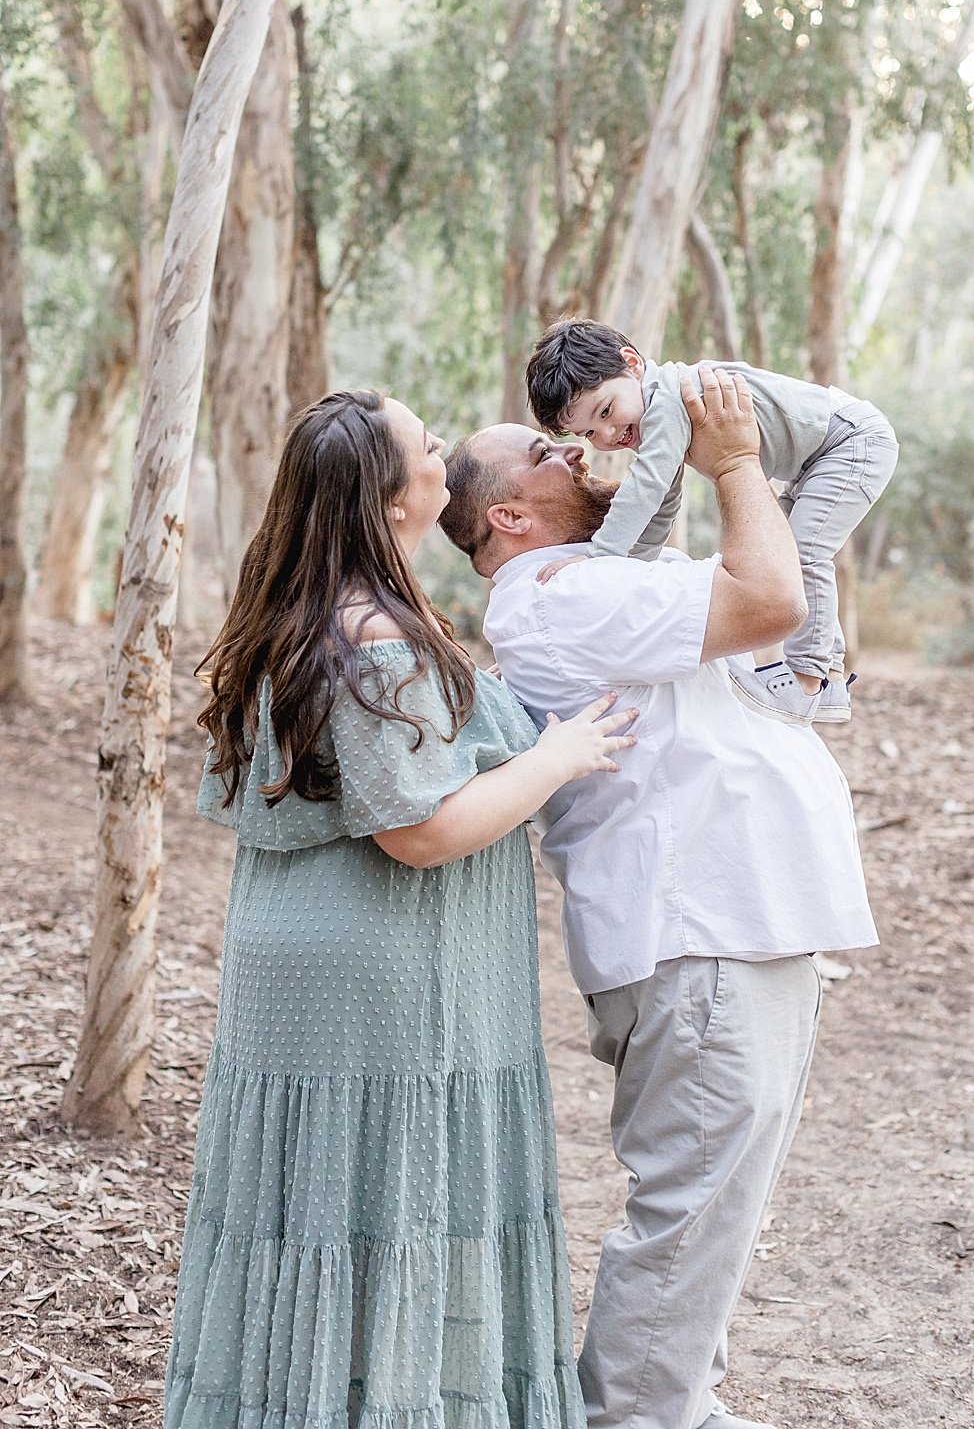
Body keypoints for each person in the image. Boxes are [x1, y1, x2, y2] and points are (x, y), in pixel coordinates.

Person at [164, 388, 637, 1429]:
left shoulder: (296, 612)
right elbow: (415, 830)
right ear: (393, 498)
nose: (446, 455)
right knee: (395, 1198)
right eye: (429, 446)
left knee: (320, 1211)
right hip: (384, 978)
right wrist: (558, 756)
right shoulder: (374, 632)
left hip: (304, 963)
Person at [440, 367, 878, 1429]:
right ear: (508, 514)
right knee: (691, 1210)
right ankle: (634, 1416)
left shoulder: (603, 580)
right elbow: (771, 596)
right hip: (701, 936)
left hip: (741, 924)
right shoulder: (559, 596)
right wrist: (731, 461)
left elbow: (778, 638)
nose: (575, 453)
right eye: (544, 453)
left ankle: (679, 1402)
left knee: (722, 1208)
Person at [525, 319, 899, 724]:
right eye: (589, 432)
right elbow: (664, 505)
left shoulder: (667, 399)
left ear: (632, 364)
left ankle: (807, 680)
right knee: (793, 551)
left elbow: (645, 489)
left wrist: (600, 557)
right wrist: (627, 569)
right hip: (820, 457)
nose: (608, 434)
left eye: (606, 411)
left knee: (802, 554)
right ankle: (829, 678)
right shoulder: (658, 414)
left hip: (850, 442)